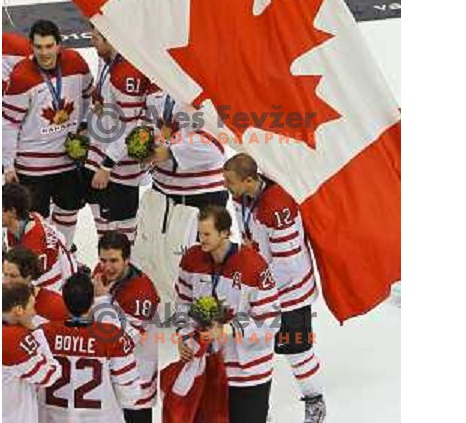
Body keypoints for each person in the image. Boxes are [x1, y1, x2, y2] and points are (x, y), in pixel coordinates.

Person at [223, 154, 326, 423]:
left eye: (230, 181)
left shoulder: (278, 205)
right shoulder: (240, 196)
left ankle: (314, 400)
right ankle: (257, 409)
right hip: (261, 286)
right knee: (254, 350)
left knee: (297, 350)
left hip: (290, 292)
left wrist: (261, 286)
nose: (225, 185)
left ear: (248, 180)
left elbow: (289, 265)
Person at [174, 205, 280, 423]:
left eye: (206, 234)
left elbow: (269, 321)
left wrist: (227, 329)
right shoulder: (192, 259)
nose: (200, 239)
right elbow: (182, 302)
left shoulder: (253, 265)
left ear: (225, 233)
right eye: (199, 233)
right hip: (209, 365)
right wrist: (184, 337)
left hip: (248, 370)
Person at [2, 19, 93, 247]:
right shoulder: (21, 75)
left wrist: (83, 125)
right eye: (38, 47)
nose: (44, 53)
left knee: (69, 210)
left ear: (59, 44)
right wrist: (8, 165)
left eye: (49, 46)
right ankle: (34, 266)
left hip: (68, 160)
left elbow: (89, 95)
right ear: (31, 47)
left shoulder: (76, 63)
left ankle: (65, 255)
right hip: (33, 165)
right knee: (34, 220)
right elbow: (9, 124)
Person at [132, 92, 228, 303]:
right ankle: (165, 309)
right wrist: (144, 148)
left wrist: (170, 153)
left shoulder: (205, 96)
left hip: (201, 195)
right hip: (162, 193)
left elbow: (216, 147)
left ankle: (203, 317)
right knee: (157, 256)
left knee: (200, 264)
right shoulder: (156, 91)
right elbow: (149, 129)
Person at [39, 272, 143, 423]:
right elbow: (130, 395)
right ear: (92, 300)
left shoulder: (43, 333)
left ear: (64, 299)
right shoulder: (111, 336)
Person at [84, 26, 156, 243]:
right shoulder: (109, 60)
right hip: (103, 153)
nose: (92, 43)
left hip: (119, 165)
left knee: (122, 232)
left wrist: (107, 165)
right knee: (105, 226)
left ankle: (125, 272)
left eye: (96, 38)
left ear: (110, 38)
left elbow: (131, 125)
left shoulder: (128, 73)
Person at [92, 231, 161, 422]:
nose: (106, 267)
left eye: (113, 261)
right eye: (103, 260)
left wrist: (102, 302)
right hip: (111, 370)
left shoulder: (142, 293)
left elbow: (125, 341)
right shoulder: (100, 273)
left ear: (127, 259)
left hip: (136, 372)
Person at [3, 183, 77, 293]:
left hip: (49, 291)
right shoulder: (30, 217)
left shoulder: (33, 245)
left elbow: (23, 285)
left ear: (12, 212)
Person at [2, 282, 60, 423]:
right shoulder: (14, 339)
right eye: (32, 306)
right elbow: (51, 374)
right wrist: (36, 332)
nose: (34, 312)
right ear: (19, 310)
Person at [3, 246, 69, 325]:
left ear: (29, 276)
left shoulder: (57, 307)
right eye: (5, 274)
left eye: (13, 276)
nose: (5, 281)